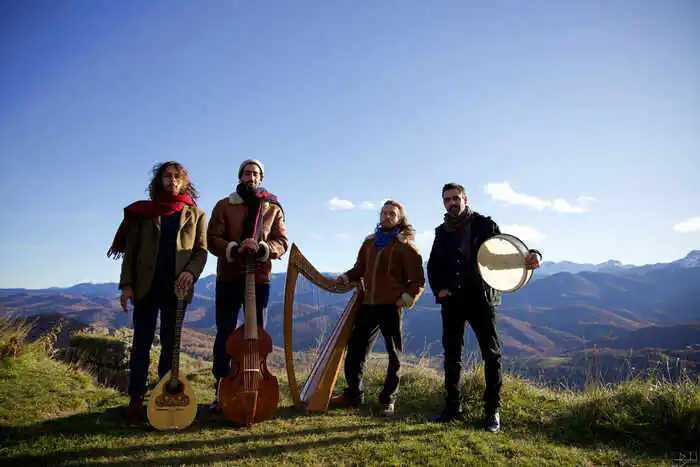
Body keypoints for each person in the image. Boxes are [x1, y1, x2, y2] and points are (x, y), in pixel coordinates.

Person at [427, 182, 541, 433]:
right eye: (447, 200)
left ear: (465, 199)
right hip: (452, 302)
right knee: (452, 355)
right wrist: (439, 290)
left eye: (456, 198)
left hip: (482, 300)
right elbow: (433, 265)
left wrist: (534, 254)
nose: (451, 203)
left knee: (491, 355)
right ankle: (452, 408)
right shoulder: (441, 231)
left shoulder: (485, 224)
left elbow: (507, 251)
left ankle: (492, 412)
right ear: (443, 203)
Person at [110, 161, 208, 423]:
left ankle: (162, 399)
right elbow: (130, 251)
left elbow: (201, 251)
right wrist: (127, 285)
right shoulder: (143, 213)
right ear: (159, 180)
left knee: (170, 346)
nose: (172, 181)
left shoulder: (196, 215)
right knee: (141, 343)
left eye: (177, 177)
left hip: (178, 288)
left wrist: (190, 273)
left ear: (184, 182)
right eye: (167, 176)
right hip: (146, 286)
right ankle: (135, 400)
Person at [207, 159, 288, 411]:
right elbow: (212, 238)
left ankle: (253, 386)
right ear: (240, 176)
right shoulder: (224, 205)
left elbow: (281, 241)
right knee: (225, 332)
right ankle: (222, 388)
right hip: (229, 276)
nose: (251, 177)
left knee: (257, 334)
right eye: (247, 173)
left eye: (255, 173)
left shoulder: (273, 207)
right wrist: (235, 247)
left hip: (260, 277)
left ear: (261, 178)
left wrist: (262, 248)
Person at [331, 200, 425, 417]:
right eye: (384, 213)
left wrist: (406, 298)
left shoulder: (406, 246)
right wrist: (346, 277)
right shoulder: (370, 243)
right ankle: (353, 394)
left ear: (400, 218)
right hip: (368, 304)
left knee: (394, 355)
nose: (387, 216)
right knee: (355, 351)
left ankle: (388, 400)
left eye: (392, 213)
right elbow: (360, 268)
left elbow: (418, 280)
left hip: (391, 306)